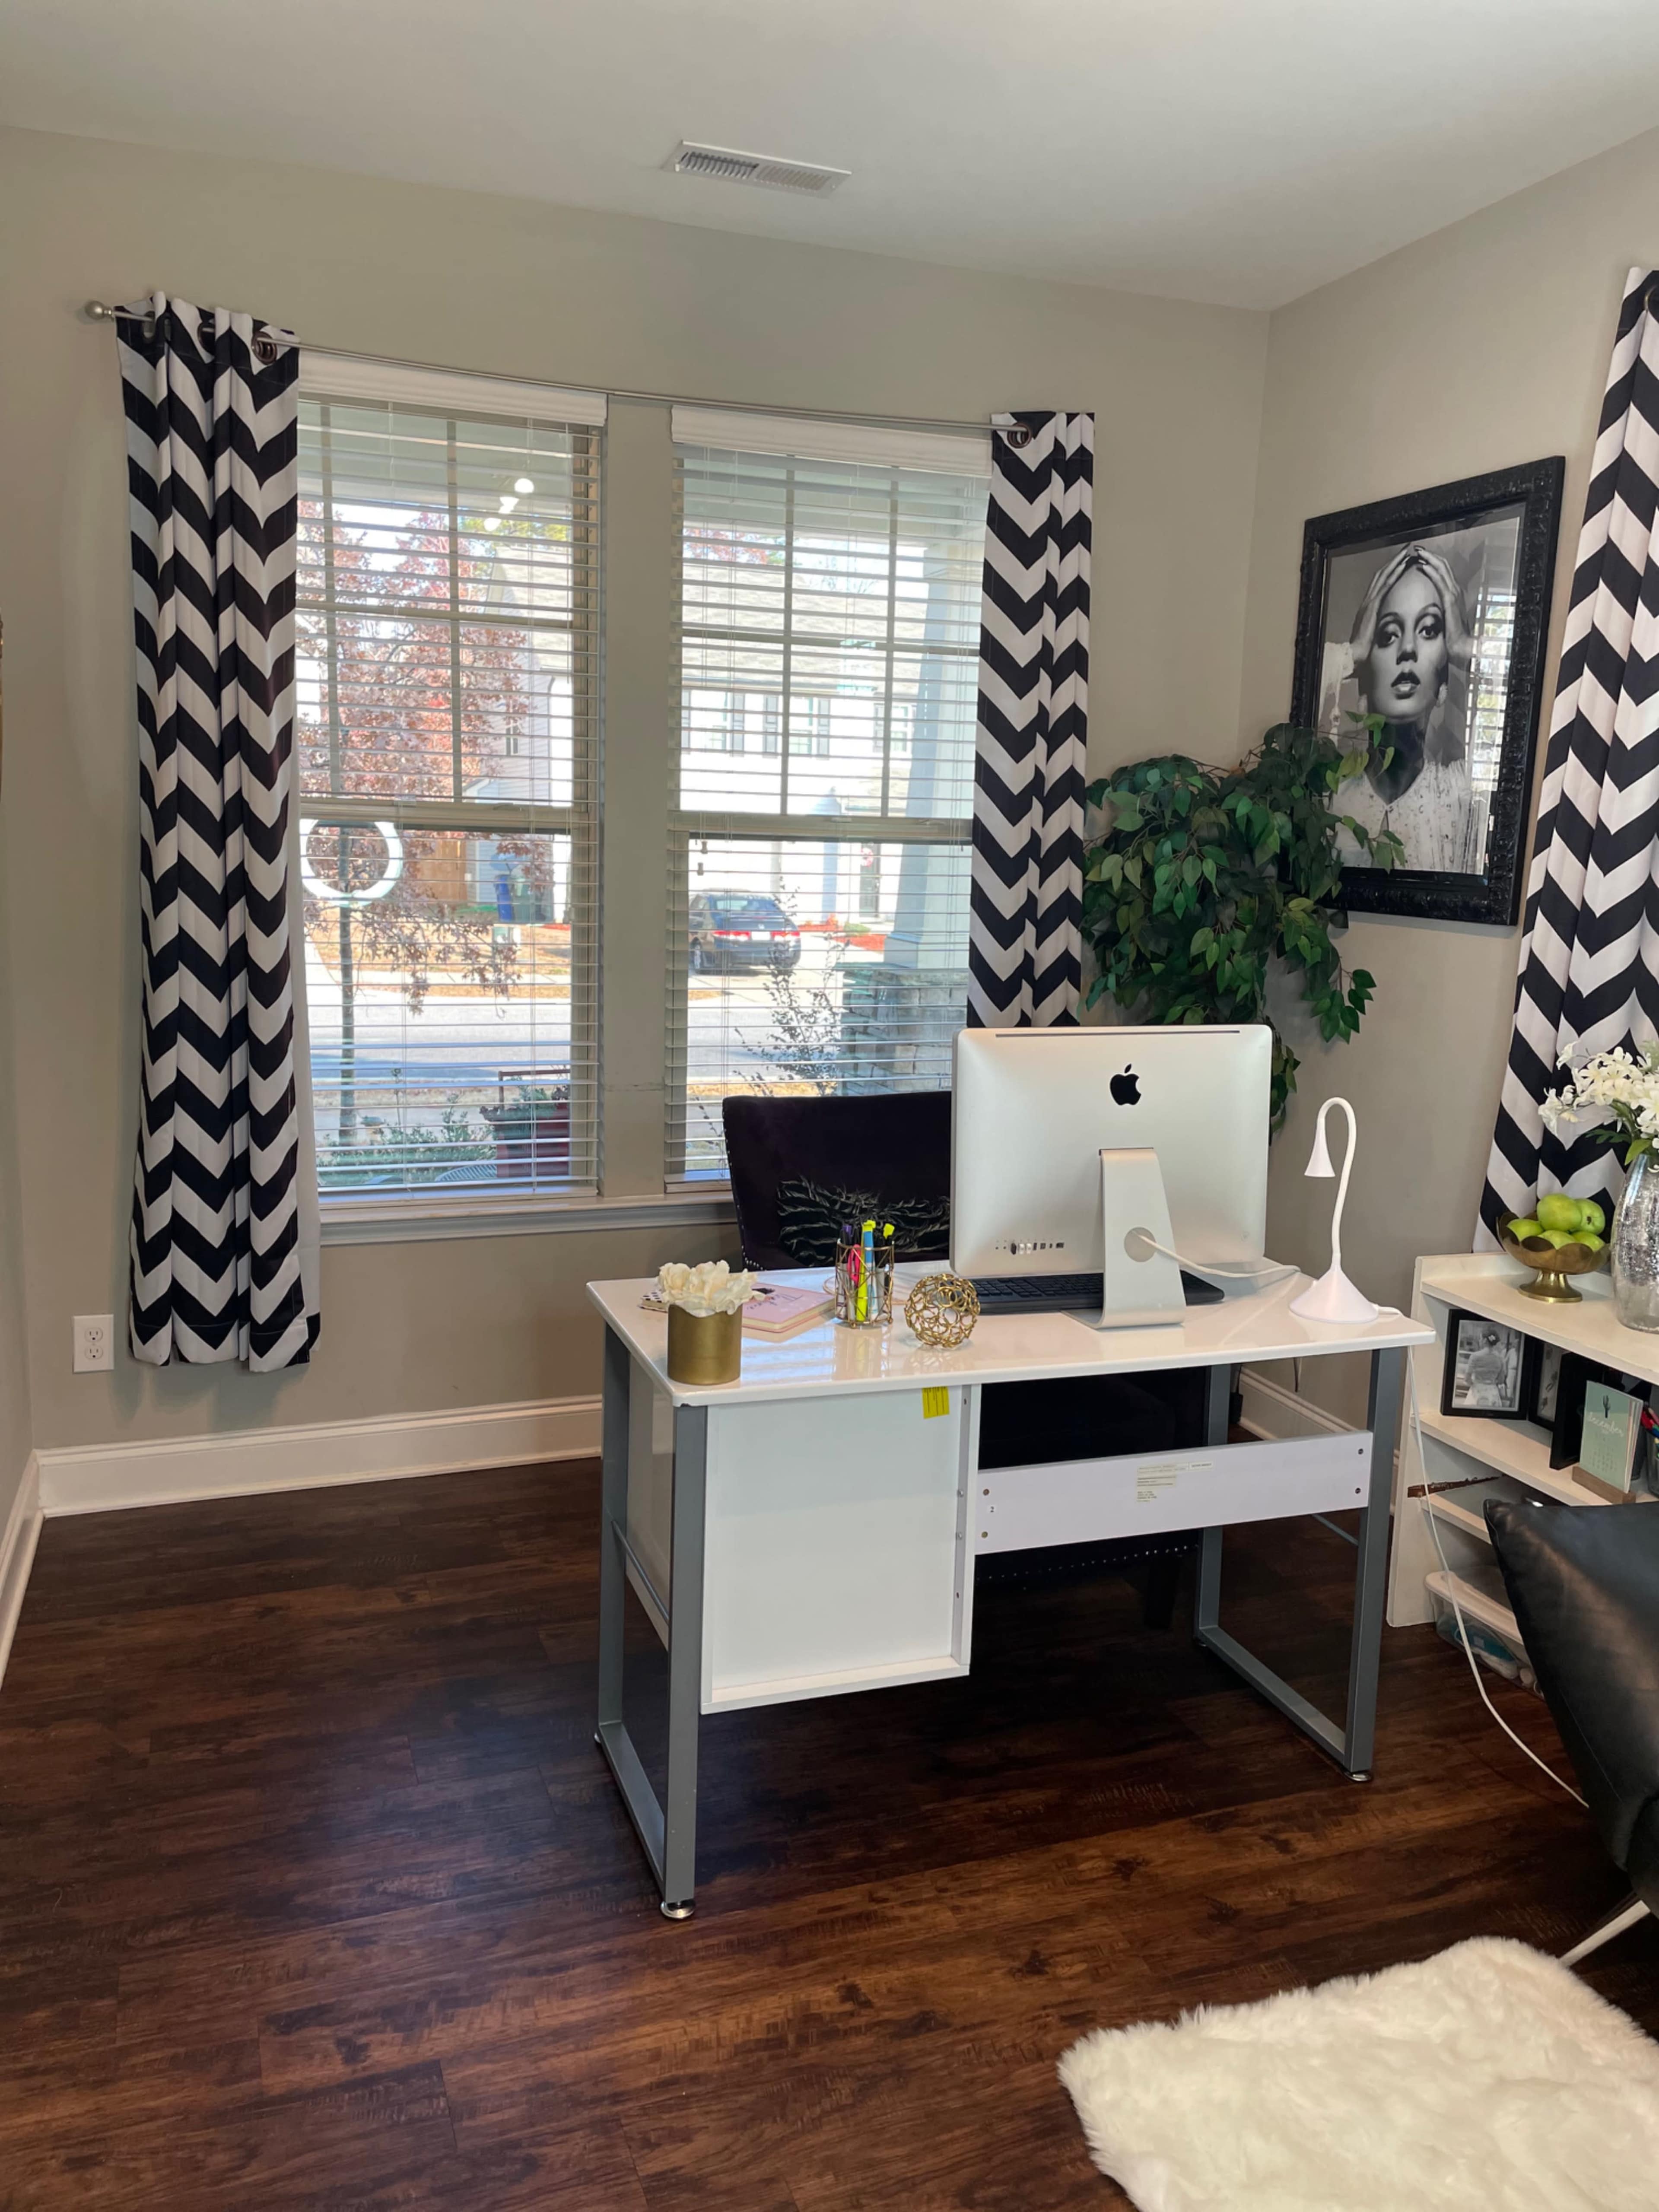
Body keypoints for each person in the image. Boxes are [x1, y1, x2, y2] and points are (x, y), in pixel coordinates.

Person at [1323, 543, 1479, 874]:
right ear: (1362, 690)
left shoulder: (1460, 794)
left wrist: (1464, 646)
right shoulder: (1328, 797)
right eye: (1388, 635)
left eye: (1429, 630)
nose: (1407, 649)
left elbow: (1534, 696)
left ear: (1442, 690)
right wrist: (1354, 650)